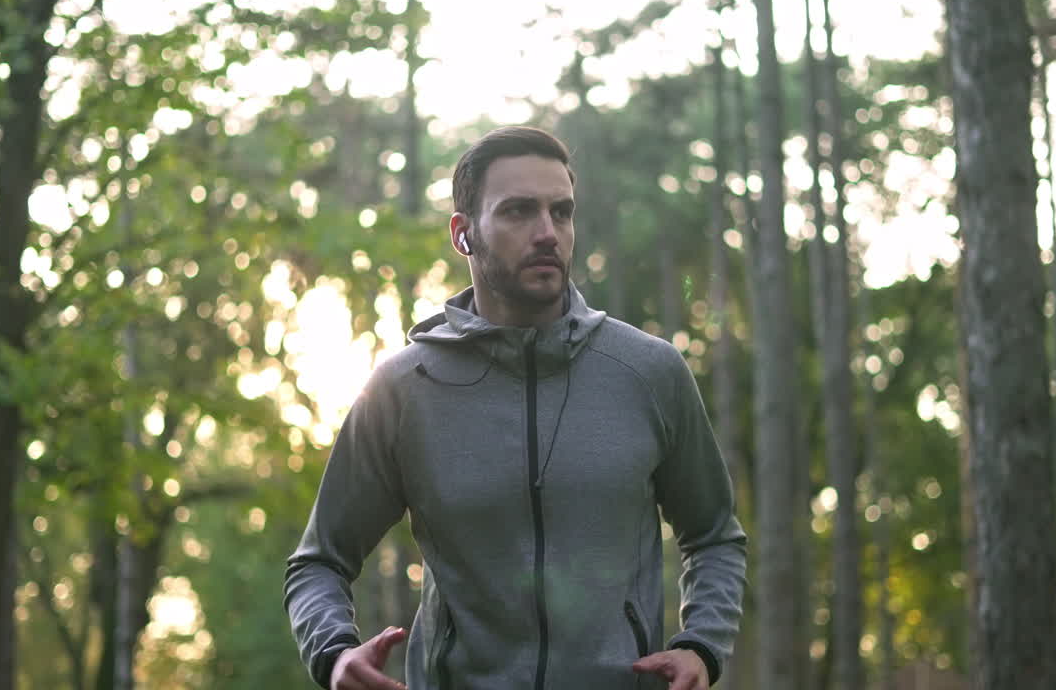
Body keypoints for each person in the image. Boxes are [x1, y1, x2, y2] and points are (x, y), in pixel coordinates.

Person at [285, 126, 746, 690]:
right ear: (463, 234)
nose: (548, 233)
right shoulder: (403, 390)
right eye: (519, 212)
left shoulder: (649, 372)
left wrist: (702, 646)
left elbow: (714, 536)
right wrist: (333, 652)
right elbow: (319, 561)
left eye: (562, 212)